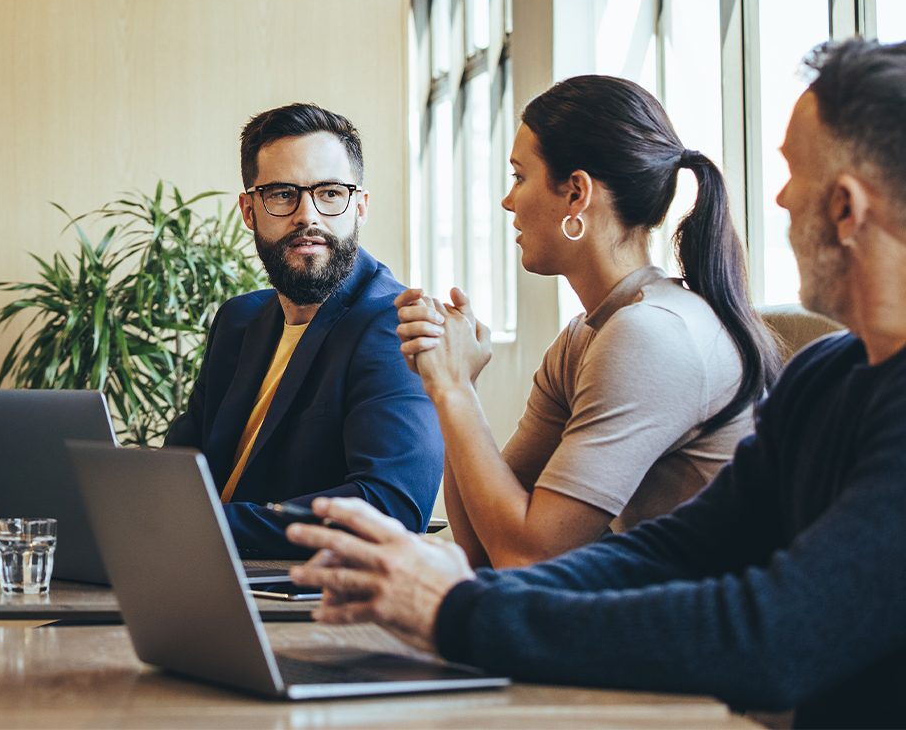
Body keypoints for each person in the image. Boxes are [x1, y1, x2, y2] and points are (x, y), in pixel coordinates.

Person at [287, 38, 906, 728]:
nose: (782, 196)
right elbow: (673, 550)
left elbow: (774, 634)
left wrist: (462, 610)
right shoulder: (827, 375)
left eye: (795, 174)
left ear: (847, 209)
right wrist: (459, 595)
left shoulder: (658, 335)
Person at [393, 76, 777, 567]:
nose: (509, 201)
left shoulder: (651, 334)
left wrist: (454, 388)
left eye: (518, 176)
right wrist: (447, 385)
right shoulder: (586, 336)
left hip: (713, 629)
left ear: (576, 194)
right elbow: (481, 549)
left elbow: (525, 557)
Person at [165, 103, 441, 558]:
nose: (307, 216)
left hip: (307, 602)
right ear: (249, 210)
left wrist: (204, 527)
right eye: (281, 193)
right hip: (198, 575)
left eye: (330, 193)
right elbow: (178, 470)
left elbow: (390, 507)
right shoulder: (238, 321)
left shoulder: (392, 324)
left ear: (360, 207)